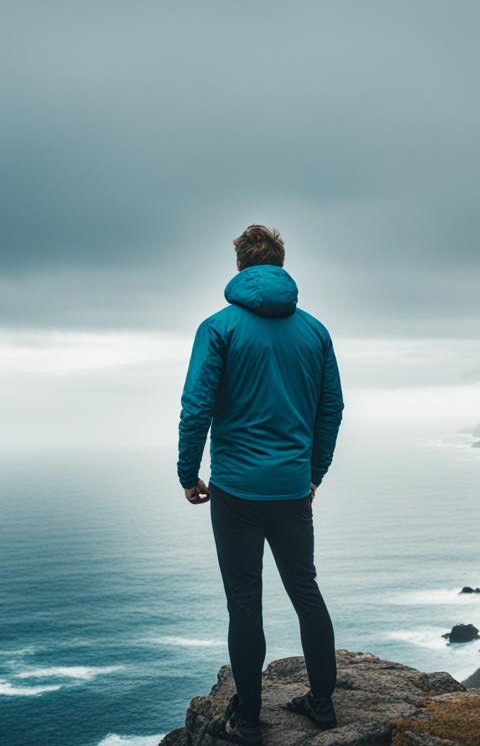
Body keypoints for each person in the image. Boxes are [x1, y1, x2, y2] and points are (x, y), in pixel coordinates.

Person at [177, 224, 345, 744]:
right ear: (280, 263)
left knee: (244, 604)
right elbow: (332, 409)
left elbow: (197, 406)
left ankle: (247, 717)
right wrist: (313, 473)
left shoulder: (218, 328)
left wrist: (188, 473)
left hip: (234, 494)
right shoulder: (315, 331)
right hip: (292, 490)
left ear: (240, 267)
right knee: (306, 592)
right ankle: (321, 705)